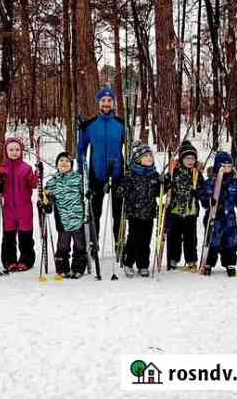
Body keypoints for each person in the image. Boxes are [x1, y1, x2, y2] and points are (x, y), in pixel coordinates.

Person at [199, 151, 237, 276]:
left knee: (231, 242)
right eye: (224, 166)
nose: (227, 168)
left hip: (229, 219)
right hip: (214, 218)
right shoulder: (210, 182)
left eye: (229, 166)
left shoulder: (233, 183)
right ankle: (208, 263)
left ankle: (230, 263)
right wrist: (210, 201)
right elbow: (204, 198)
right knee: (212, 242)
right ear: (217, 167)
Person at [78, 86, 125, 247]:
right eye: (103, 100)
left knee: (118, 213)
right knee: (94, 212)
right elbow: (81, 150)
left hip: (118, 174)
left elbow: (130, 146)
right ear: (98, 103)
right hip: (96, 175)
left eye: (109, 100)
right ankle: (93, 242)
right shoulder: (89, 126)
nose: (106, 103)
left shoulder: (121, 124)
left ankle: (120, 242)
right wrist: (80, 169)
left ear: (113, 103)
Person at [0, 138, 38, 272]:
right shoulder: (2, 169)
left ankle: (26, 260)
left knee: (25, 236)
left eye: (17, 149)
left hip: (24, 208)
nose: (14, 152)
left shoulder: (26, 168)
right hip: (9, 210)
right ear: (6, 151)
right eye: (11, 150)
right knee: (9, 236)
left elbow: (33, 185)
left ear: (21, 151)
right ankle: (9, 260)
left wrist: (36, 175)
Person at [117, 144, 160, 277]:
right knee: (134, 239)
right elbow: (123, 189)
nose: (149, 158)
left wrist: (165, 183)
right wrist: (120, 189)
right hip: (134, 213)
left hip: (149, 213)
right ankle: (129, 262)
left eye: (150, 156)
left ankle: (143, 264)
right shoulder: (131, 175)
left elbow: (158, 192)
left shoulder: (154, 175)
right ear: (137, 159)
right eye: (145, 156)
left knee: (145, 240)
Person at [42, 152, 87, 279]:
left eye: (67, 161)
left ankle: (78, 268)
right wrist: (45, 203)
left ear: (71, 165)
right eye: (61, 161)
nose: (64, 163)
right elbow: (45, 196)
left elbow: (85, 193)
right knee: (63, 246)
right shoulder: (53, 182)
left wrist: (89, 194)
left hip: (77, 219)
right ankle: (62, 268)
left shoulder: (78, 179)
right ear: (57, 165)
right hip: (62, 220)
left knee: (80, 246)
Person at [166, 140, 204, 272]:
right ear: (181, 158)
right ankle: (173, 258)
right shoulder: (173, 171)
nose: (190, 160)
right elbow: (165, 186)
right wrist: (166, 183)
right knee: (174, 236)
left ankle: (191, 259)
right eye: (187, 158)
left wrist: (197, 192)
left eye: (193, 158)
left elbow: (203, 189)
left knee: (190, 237)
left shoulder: (196, 173)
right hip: (175, 210)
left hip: (190, 211)